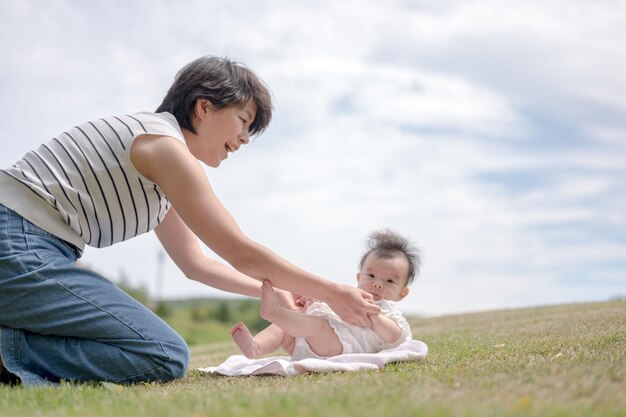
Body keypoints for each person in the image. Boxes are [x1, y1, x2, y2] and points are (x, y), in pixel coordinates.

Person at [0, 56, 380, 386]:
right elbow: (239, 250)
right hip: (18, 240)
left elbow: (195, 264)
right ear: (203, 107)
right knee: (164, 355)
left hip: (32, 246)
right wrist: (334, 292)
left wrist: (274, 291)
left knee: (163, 353)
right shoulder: (164, 146)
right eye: (243, 121)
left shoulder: (160, 170)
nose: (245, 138)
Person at [230, 230, 420, 360]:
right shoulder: (347, 297)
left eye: (389, 281)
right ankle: (256, 346)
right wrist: (310, 303)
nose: (378, 283)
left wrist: (375, 317)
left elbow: (393, 336)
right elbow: (328, 307)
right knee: (284, 327)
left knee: (319, 326)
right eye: (371, 275)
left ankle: (275, 312)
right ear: (358, 277)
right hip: (302, 344)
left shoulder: (388, 312)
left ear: (402, 294)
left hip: (338, 346)